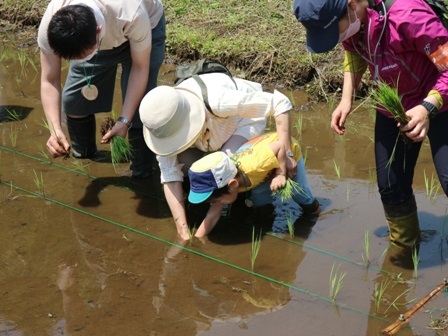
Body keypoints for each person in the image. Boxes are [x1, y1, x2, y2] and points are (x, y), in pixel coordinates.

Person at [293, 0, 448, 255]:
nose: (338, 37)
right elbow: (353, 50)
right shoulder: (355, 22)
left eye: (336, 30)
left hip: (439, 99)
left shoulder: (408, 15)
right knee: (391, 183)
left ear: (352, 6)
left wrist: (427, 107)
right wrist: (346, 98)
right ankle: (405, 252)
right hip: (393, 103)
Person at [139, 73, 298, 240]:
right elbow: (169, 175)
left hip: (240, 123)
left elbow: (280, 103)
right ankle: (213, 200)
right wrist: (183, 230)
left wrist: (287, 155)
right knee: (189, 168)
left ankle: (229, 198)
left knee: (225, 167)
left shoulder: (219, 100)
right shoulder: (162, 126)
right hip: (207, 138)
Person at [37, 0, 166, 178]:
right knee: (74, 101)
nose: (80, 59)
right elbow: (49, 79)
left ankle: (142, 172)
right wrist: (55, 128)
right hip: (92, 37)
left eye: (85, 55)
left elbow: (140, 67)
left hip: (144, 27)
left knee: (140, 112)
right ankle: (85, 159)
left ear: (98, 31)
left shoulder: (131, 12)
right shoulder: (53, 23)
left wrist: (125, 120)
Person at [187, 132, 320, 237]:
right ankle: (267, 215)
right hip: (262, 165)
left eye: (218, 199)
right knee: (259, 198)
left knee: (299, 193)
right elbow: (211, 216)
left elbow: (280, 146)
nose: (218, 203)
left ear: (233, 184)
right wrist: (197, 239)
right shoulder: (227, 183)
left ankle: (314, 211)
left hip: (285, 153)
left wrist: (280, 173)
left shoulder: (256, 165)